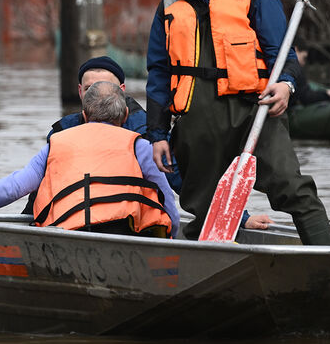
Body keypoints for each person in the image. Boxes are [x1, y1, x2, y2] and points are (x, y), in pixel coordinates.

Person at [145, 0, 330, 245]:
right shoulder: (169, 5)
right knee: (204, 206)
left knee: (294, 188)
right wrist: (158, 134)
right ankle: (205, 266)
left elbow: (286, 59)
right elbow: (159, 74)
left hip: (254, 112)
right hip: (196, 119)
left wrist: (286, 86)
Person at [44, 54, 273, 231]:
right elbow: (41, 184)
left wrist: (239, 218)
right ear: (80, 92)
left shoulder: (148, 134)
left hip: (130, 225)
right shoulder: (62, 131)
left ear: (122, 92)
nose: (99, 96)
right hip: (76, 220)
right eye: (89, 89)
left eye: (107, 88)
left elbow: (186, 183)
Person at [0, 81, 180, 238]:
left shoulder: (57, 144)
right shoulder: (141, 147)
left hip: (68, 234)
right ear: (126, 116)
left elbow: (12, 188)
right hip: (125, 233)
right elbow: (169, 204)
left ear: (84, 114)